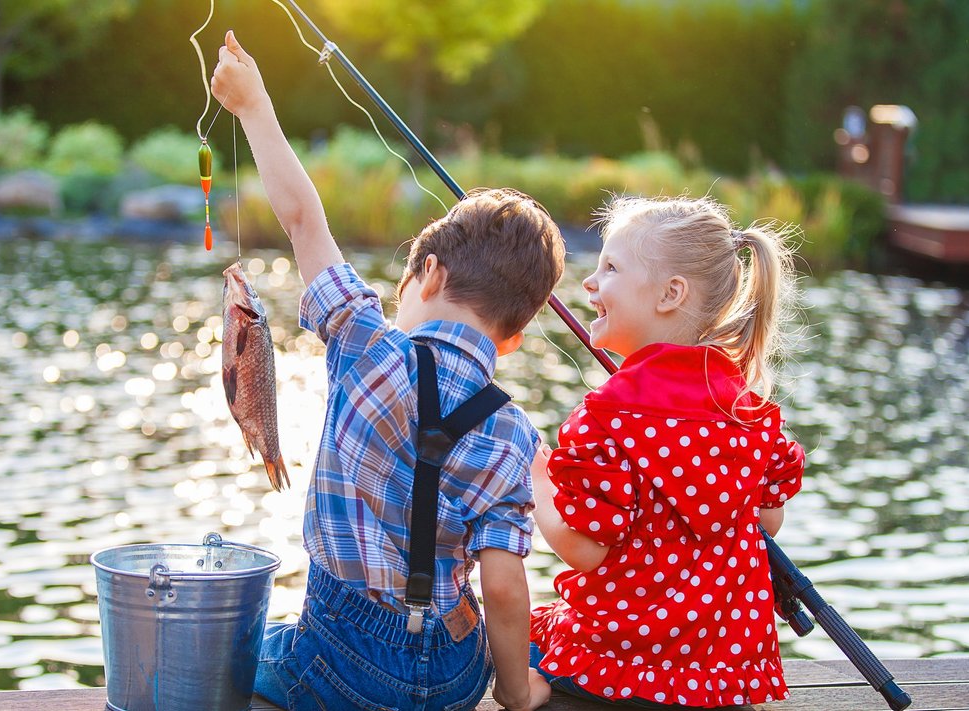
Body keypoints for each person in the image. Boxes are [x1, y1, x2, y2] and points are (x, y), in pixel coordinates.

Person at [211, 31, 563, 711]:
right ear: (514, 338)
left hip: (342, 661)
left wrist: (254, 107)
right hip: (456, 674)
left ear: (427, 273)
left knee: (246, 652)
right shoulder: (514, 431)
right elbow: (504, 579)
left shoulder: (366, 343)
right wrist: (515, 690)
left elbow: (301, 221)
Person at [528, 195, 806, 707]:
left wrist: (539, 480)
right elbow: (767, 522)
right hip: (723, 681)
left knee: (509, 640)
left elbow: (584, 550)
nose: (590, 283)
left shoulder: (604, 420)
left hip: (619, 669)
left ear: (670, 293)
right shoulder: (749, 413)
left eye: (610, 267)